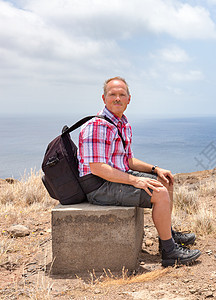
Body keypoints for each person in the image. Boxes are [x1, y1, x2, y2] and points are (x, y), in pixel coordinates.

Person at [77, 76, 200, 267]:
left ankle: (166, 236)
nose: (117, 98)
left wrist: (155, 169)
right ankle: (170, 253)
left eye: (121, 94)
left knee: (165, 181)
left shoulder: (121, 122)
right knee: (158, 193)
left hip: (114, 179)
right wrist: (136, 181)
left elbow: (128, 161)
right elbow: (98, 168)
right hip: (99, 186)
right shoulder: (97, 126)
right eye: (112, 94)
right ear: (103, 98)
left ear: (129, 98)